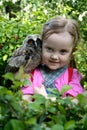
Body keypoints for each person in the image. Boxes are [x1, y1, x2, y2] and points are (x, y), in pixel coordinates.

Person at [21, 16, 85, 102]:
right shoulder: (31, 74)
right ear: (41, 46)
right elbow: (23, 102)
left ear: (72, 52)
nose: (54, 56)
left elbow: (73, 104)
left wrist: (45, 98)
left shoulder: (73, 76)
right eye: (49, 49)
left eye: (63, 51)